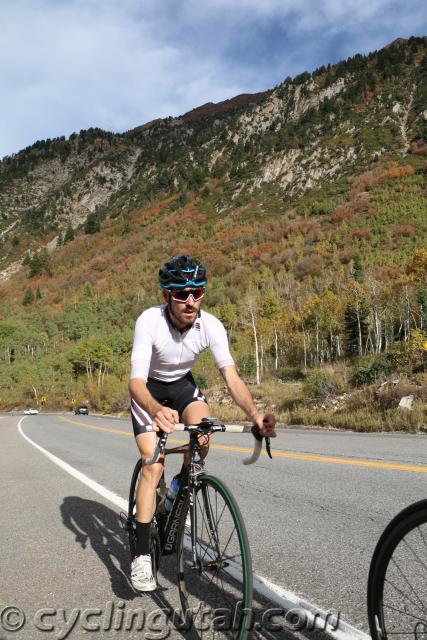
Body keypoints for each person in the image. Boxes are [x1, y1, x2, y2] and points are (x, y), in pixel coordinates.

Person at [128, 255, 276, 591]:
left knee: (204, 436)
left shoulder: (210, 325)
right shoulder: (149, 321)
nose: (191, 301)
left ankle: (178, 489)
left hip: (182, 386)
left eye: (197, 292)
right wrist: (155, 410)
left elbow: (231, 378)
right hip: (149, 390)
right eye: (182, 294)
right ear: (167, 295)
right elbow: (135, 382)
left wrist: (255, 415)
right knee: (153, 465)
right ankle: (141, 556)